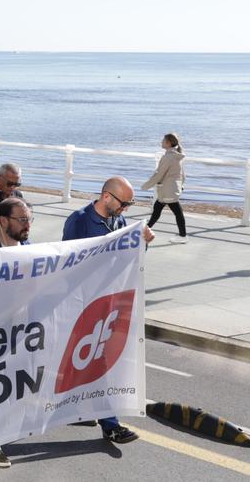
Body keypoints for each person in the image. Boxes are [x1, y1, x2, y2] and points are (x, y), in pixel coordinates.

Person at [62, 176, 153, 444]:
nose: (126, 210)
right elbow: (68, 263)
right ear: (106, 197)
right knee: (99, 362)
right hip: (83, 303)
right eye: (123, 204)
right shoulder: (79, 220)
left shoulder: (119, 222)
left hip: (108, 302)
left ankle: (77, 406)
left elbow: (127, 260)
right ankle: (110, 425)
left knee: (82, 361)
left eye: (129, 205)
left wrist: (144, 243)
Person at [143, 133, 188, 244]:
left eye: (163, 141)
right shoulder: (177, 155)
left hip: (167, 190)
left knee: (162, 211)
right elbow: (183, 174)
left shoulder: (168, 157)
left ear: (168, 143)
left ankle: (183, 236)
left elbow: (159, 174)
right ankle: (145, 231)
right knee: (159, 210)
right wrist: (181, 186)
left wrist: (146, 186)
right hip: (172, 189)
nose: (161, 142)